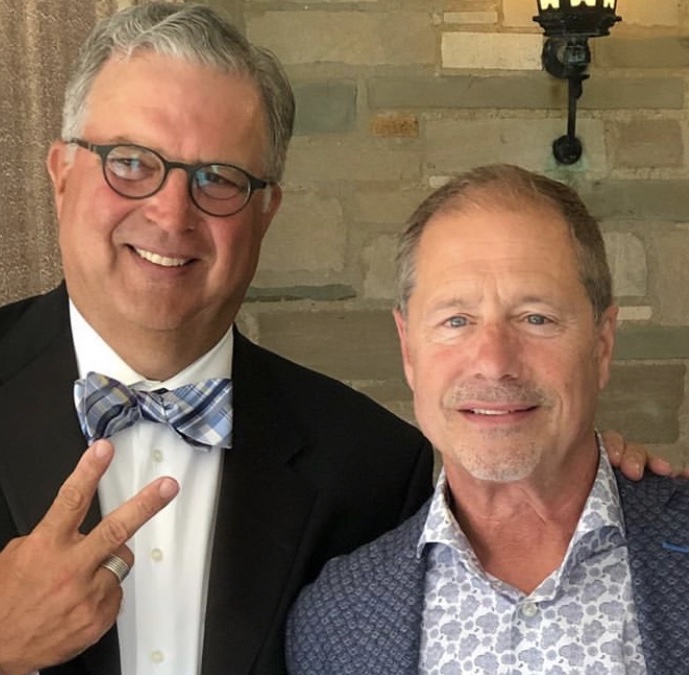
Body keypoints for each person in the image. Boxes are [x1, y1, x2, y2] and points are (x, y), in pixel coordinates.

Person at [0, 4, 437, 674]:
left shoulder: (375, 469)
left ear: (266, 212)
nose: (171, 213)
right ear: (61, 174)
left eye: (218, 179)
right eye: (130, 162)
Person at [286, 164, 689, 674]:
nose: (494, 362)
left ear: (601, 344)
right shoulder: (335, 620)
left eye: (536, 318)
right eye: (456, 320)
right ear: (408, 349)